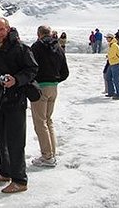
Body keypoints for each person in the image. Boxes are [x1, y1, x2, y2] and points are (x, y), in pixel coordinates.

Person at [0, 18, 38, 194]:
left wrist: (16, 80)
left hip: (16, 100)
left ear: (8, 29)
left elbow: (32, 69)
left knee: (15, 140)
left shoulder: (21, 48)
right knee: (0, 138)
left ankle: (20, 180)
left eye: (1, 29)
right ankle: (5, 171)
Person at [30, 26, 69, 168]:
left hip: (40, 87)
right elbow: (65, 71)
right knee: (48, 120)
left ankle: (47, 156)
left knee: (40, 122)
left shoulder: (37, 46)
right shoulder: (58, 47)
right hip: (54, 86)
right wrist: (55, 80)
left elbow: (31, 66)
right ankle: (52, 152)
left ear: (38, 34)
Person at [105, 33, 119, 100]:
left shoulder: (114, 45)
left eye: (107, 37)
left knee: (116, 79)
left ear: (111, 38)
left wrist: (108, 56)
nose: (106, 39)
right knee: (108, 77)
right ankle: (111, 92)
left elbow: (112, 55)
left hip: (116, 64)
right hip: (112, 63)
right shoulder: (111, 45)